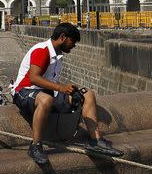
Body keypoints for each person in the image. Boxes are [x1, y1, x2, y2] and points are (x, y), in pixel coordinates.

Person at [11, 22, 123, 165]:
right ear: (63, 37)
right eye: (73, 41)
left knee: (87, 94)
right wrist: (61, 88)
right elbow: (34, 78)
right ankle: (35, 146)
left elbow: (50, 85)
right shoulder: (42, 50)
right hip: (25, 92)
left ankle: (95, 140)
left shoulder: (57, 56)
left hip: (46, 93)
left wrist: (70, 92)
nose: (74, 45)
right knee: (45, 100)